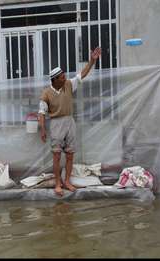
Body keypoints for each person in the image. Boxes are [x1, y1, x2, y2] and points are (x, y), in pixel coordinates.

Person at [38, 47, 102, 196]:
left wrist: (92, 61)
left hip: (69, 122)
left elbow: (82, 74)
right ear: (54, 80)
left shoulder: (68, 84)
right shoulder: (46, 93)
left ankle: (67, 181)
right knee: (56, 155)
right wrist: (42, 129)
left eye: (64, 75)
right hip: (56, 124)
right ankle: (58, 184)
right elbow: (41, 113)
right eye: (61, 77)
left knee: (70, 154)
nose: (65, 78)